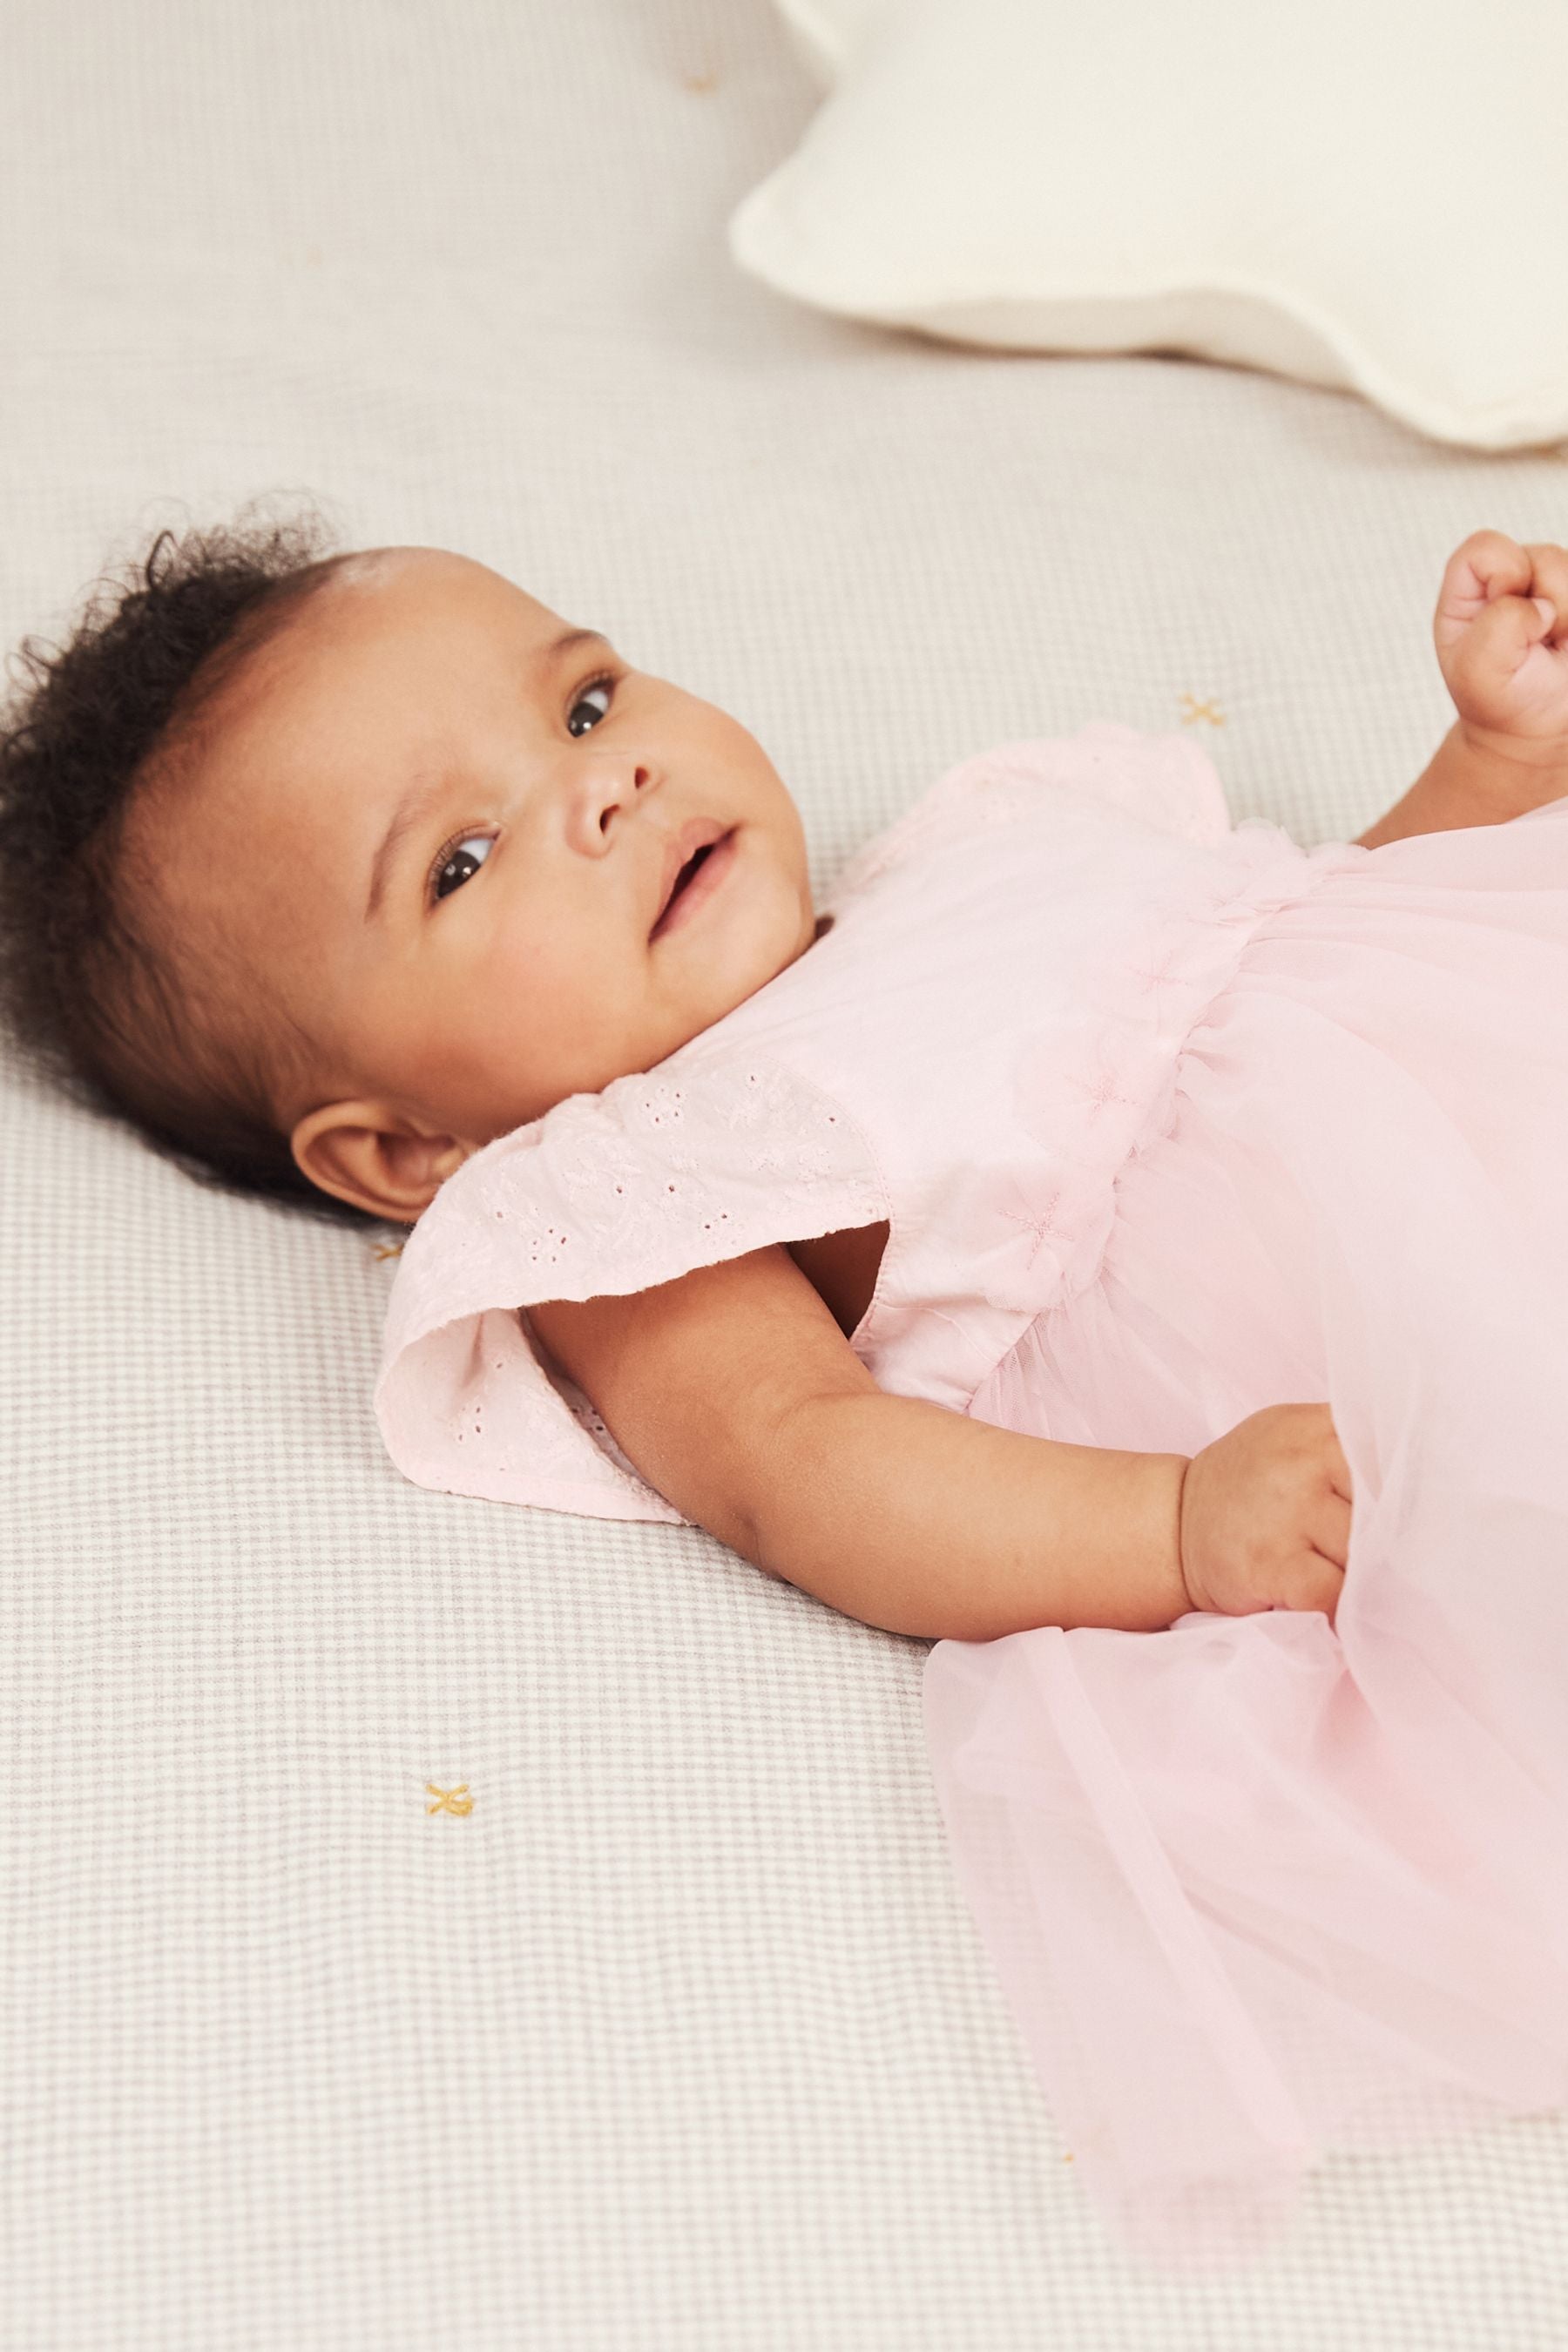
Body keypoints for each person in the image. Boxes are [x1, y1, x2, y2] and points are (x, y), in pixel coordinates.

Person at [3, 517, 1568, 2264]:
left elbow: (1340, 956)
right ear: (402, 1148)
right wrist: (1178, 1526)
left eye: (586, 702)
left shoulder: (983, 843)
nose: (602, 787)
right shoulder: (642, 1184)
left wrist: (1486, 767)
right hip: (1374, 1358)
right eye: (459, 860)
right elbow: (802, 1467)